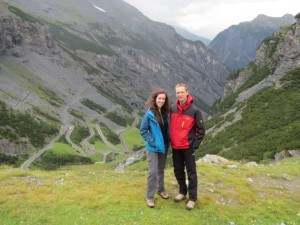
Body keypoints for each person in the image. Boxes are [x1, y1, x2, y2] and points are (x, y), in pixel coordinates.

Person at [170, 83, 205, 210]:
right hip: (176, 147)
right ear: (176, 94)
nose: (180, 94)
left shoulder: (194, 111)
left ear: (187, 92)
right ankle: (182, 192)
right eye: (178, 92)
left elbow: (201, 130)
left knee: (191, 173)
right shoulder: (172, 109)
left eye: (182, 92)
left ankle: (192, 198)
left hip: (188, 148)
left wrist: (193, 146)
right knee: (178, 170)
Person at [140, 88, 170, 208]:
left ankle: (161, 190)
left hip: (165, 146)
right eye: (159, 98)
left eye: (163, 99)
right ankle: (149, 197)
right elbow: (143, 131)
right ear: (155, 99)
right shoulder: (149, 114)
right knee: (153, 172)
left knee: (161, 169)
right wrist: (151, 141)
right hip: (153, 148)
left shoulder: (166, 113)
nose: (161, 100)